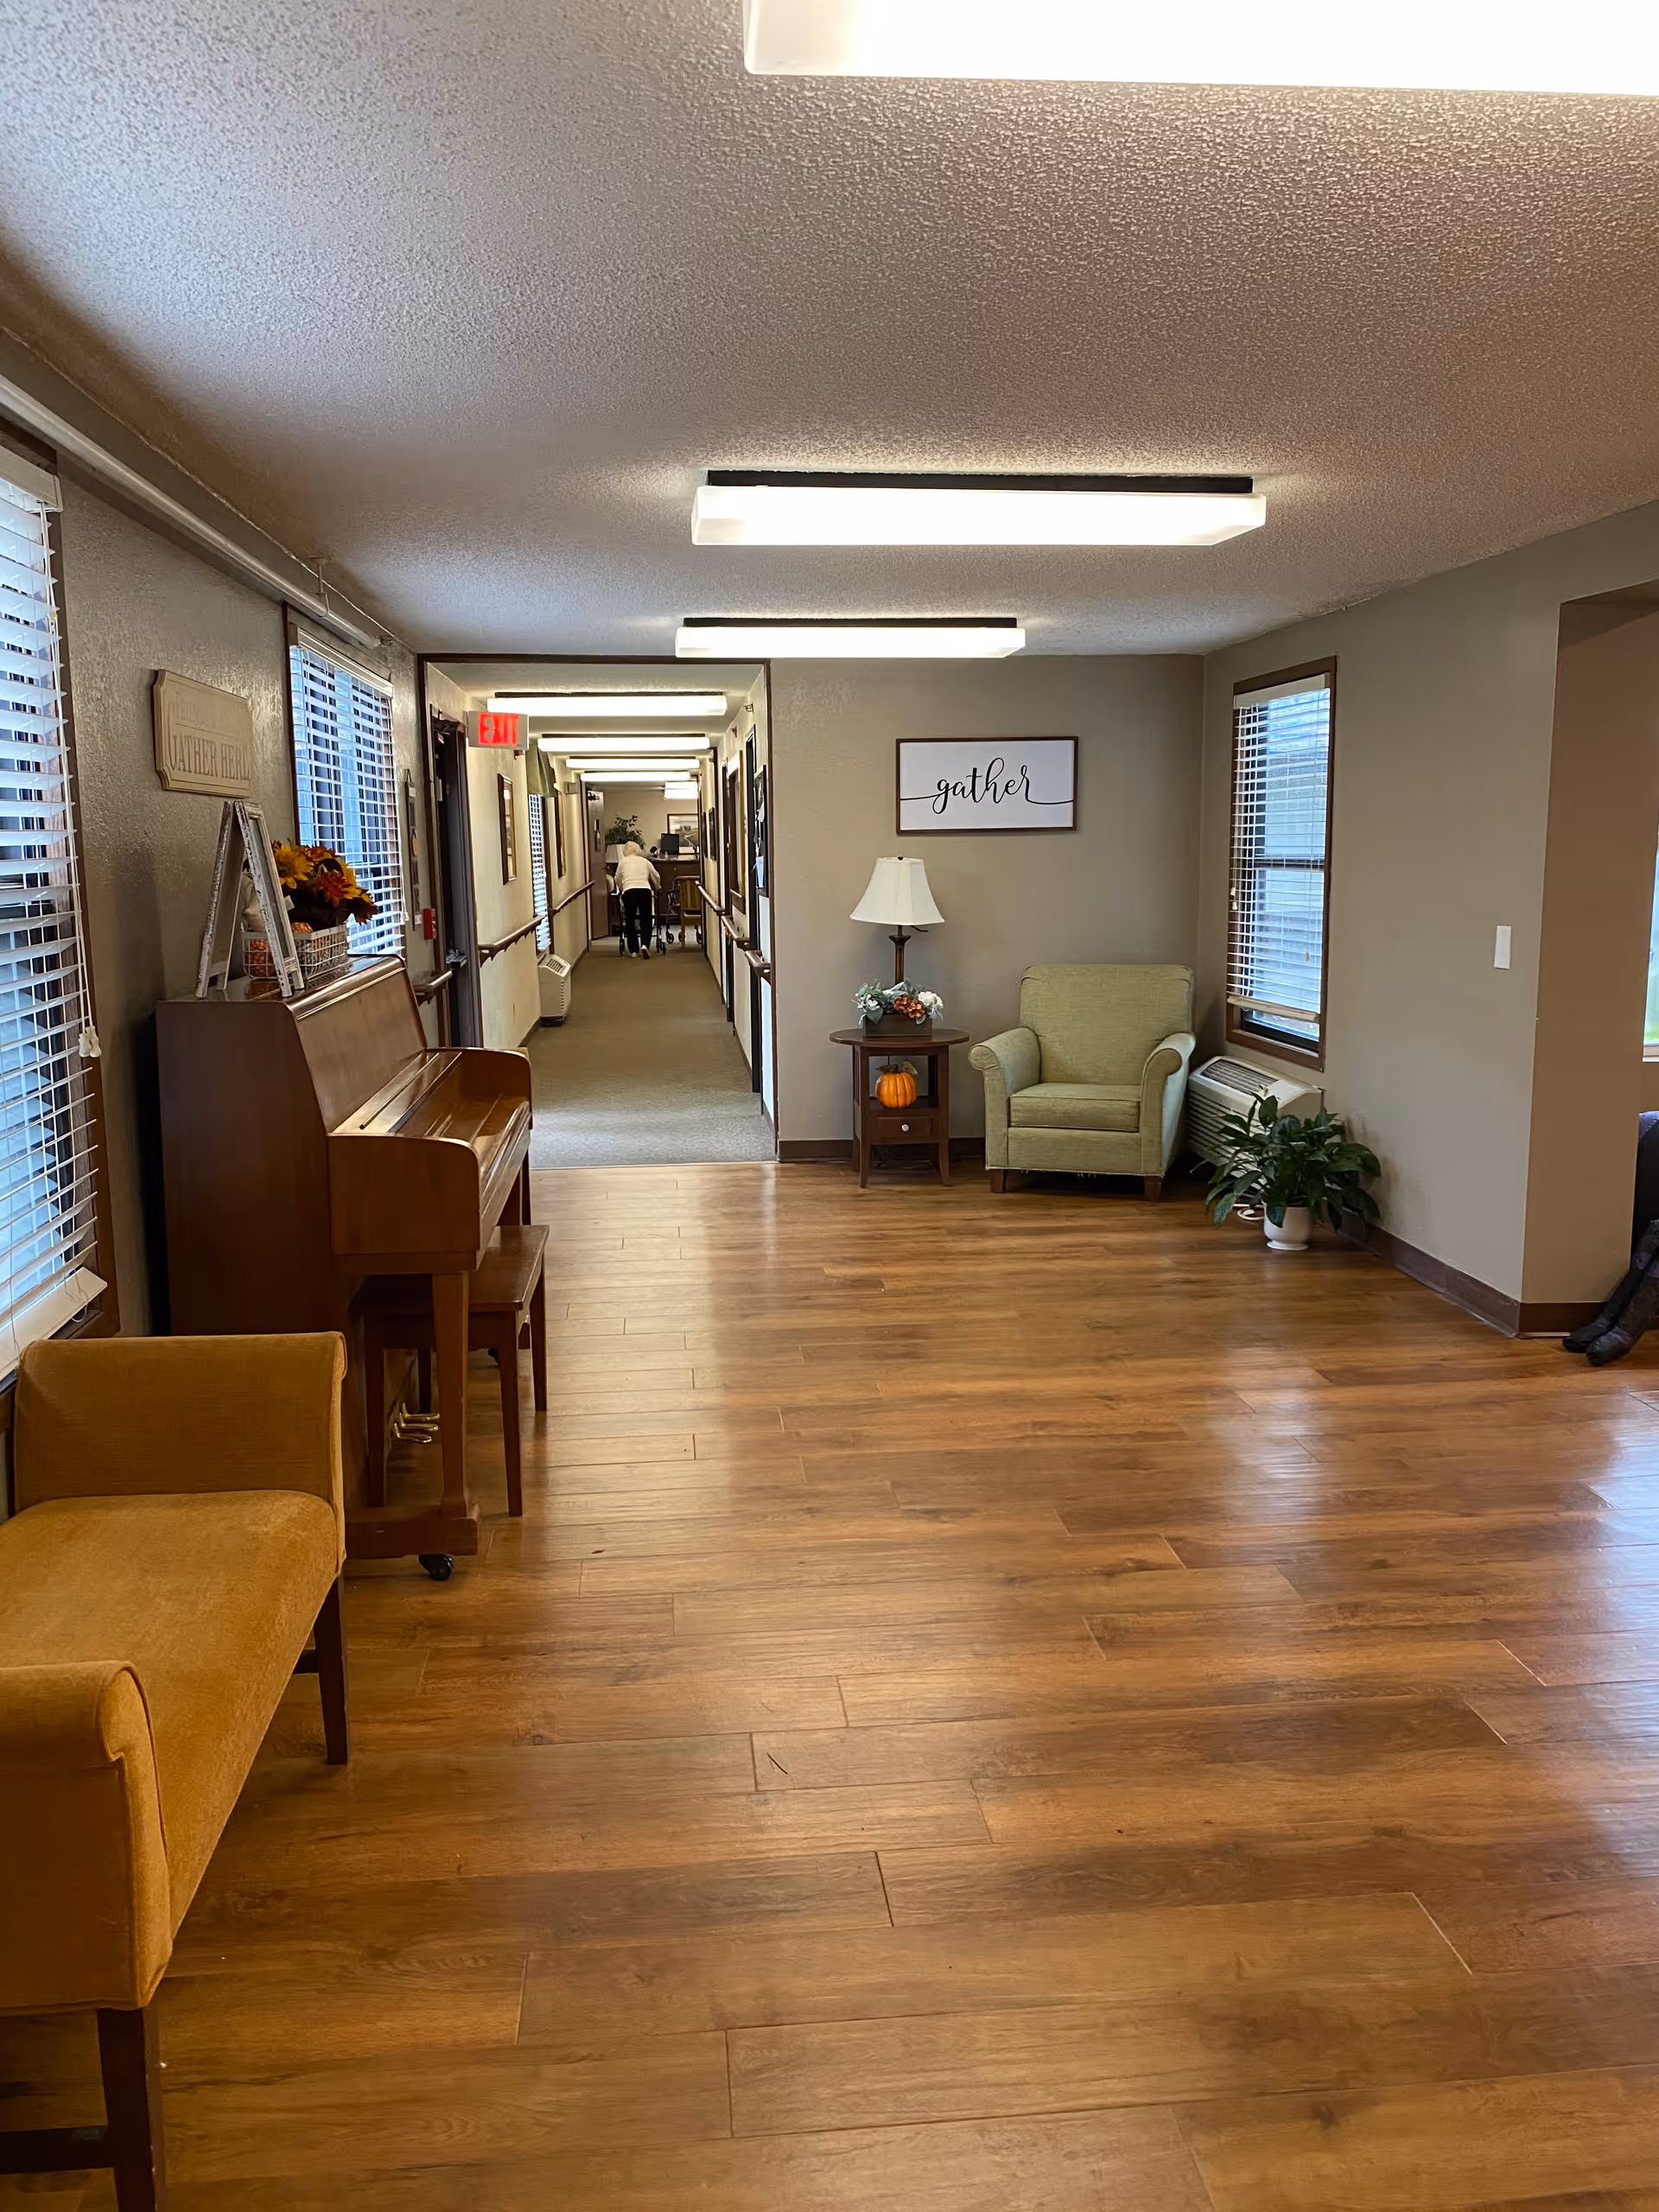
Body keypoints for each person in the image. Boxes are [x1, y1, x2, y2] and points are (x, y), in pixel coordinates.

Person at [612, 841, 660, 958]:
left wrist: (622, 888)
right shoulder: (645, 862)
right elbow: (656, 875)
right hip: (645, 891)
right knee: (646, 919)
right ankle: (645, 945)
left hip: (629, 892)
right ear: (637, 850)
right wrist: (658, 886)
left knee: (630, 920)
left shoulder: (623, 862)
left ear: (625, 852)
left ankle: (633, 950)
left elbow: (617, 878)